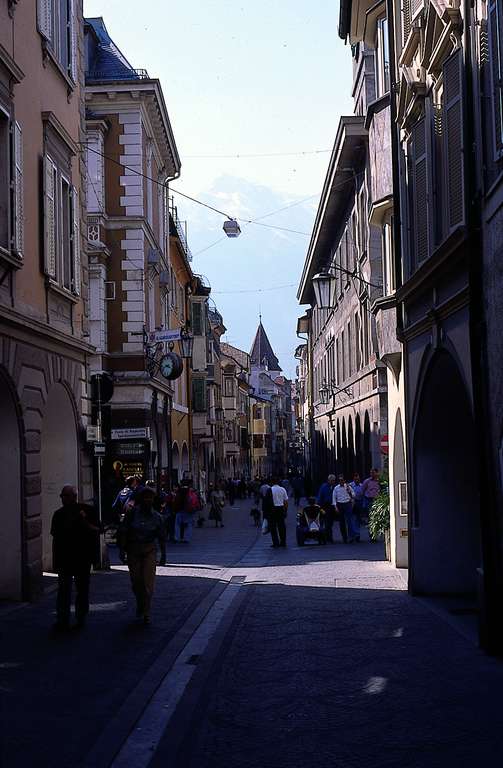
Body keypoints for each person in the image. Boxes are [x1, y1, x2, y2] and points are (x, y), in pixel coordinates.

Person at [50, 485, 100, 631]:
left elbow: (97, 530)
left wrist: (85, 522)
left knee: (82, 589)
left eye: (66, 496)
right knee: (64, 590)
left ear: (74, 496)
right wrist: (56, 561)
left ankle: (80, 616)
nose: (63, 499)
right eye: (62, 496)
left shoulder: (87, 511)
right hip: (65, 558)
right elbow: (56, 538)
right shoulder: (58, 514)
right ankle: (62, 618)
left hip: (82, 558)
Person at [118, 486, 165, 625]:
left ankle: (146, 611)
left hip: (149, 550)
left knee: (148, 583)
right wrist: (121, 549)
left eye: (150, 498)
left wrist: (163, 555)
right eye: (145, 497)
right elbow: (123, 530)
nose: (148, 500)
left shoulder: (157, 517)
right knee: (136, 582)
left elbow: (161, 537)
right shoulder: (132, 514)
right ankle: (140, 603)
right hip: (133, 550)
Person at [333, 474, 356, 543]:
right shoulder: (336, 488)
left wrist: (349, 490)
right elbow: (334, 498)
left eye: (342, 480)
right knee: (341, 522)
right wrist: (335, 507)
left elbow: (354, 495)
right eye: (339, 480)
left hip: (347, 504)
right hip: (340, 504)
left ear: (344, 480)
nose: (341, 481)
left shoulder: (348, 487)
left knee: (349, 521)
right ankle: (344, 537)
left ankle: (351, 537)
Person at [317, 474, 338, 543]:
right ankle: (328, 537)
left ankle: (327, 536)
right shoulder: (324, 487)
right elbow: (320, 496)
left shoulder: (335, 487)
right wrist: (319, 506)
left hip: (334, 505)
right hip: (326, 506)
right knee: (327, 522)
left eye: (334, 480)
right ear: (328, 480)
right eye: (331, 480)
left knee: (330, 522)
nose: (333, 482)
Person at [269, 477, 288, 548]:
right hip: (281, 509)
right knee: (282, 526)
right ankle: (283, 542)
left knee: (273, 527)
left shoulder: (270, 490)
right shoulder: (283, 489)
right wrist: (285, 511)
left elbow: (267, 502)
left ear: (272, 482)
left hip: (273, 509)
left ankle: (275, 542)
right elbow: (286, 501)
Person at [350, 472, 364, 542]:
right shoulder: (350, 485)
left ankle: (357, 534)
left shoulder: (362, 486)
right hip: (352, 503)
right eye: (355, 479)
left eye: (358, 479)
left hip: (359, 503)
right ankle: (354, 534)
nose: (357, 480)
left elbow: (363, 494)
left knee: (358, 519)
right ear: (353, 479)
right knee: (353, 519)